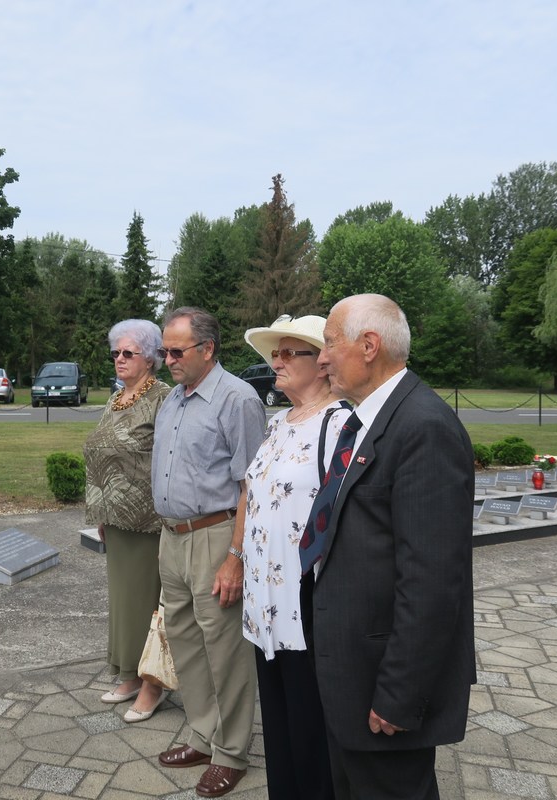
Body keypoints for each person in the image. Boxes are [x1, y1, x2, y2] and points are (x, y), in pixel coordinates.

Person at [309, 294, 475, 800]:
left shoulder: (423, 427)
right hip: (352, 669)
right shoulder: (368, 418)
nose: (320, 358)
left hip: (383, 681)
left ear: (369, 345)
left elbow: (432, 581)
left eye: (329, 343)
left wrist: (401, 694)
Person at [152, 307, 266, 798]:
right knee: (184, 640)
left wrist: (236, 556)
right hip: (171, 537)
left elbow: (252, 486)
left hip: (217, 536)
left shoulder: (237, 399)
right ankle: (203, 734)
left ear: (208, 349)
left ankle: (233, 752)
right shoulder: (174, 400)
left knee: (225, 649)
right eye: (164, 351)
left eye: (177, 351)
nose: (168, 360)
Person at [238, 314, 349, 800]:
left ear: (322, 364)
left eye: (288, 354)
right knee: (279, 722)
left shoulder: (341, 423)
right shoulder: (280, 421)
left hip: (305, 596)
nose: (275, 363)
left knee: (311, 726)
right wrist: (235, 555)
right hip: (265, 598)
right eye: (274, 354)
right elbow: (251, 490)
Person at [83, 319, 171, 722]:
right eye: (116, 352)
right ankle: (127, 674)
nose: (119, 358)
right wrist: (100, 508)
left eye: (128, 353)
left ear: (150, 358)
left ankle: (152, 682)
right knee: (122, 602)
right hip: (116, 518)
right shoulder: (117, 398)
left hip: (148, 520)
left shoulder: (163, 399)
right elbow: (101, 452)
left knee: (145, 603)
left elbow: (169, 459)